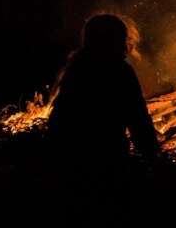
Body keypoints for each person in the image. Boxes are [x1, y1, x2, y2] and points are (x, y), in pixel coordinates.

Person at [48, 13, 161, 176]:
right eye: (122, 38)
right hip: (106, 160)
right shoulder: (120, 72)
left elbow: (58, 119)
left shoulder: (77, 68)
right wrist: (153, 156)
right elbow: (138, 119)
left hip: (69, 161)